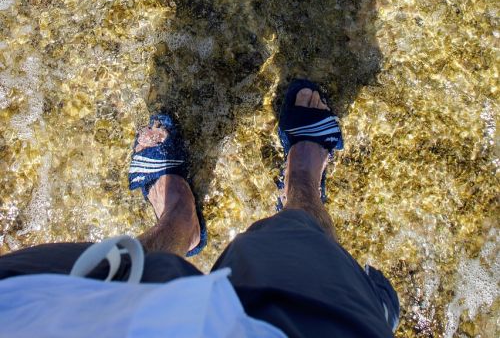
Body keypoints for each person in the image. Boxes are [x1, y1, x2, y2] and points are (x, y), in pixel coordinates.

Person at [0, 79, 399, 337]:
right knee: (303, 249)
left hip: (28, 315)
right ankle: (302, 188)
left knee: (117, 270)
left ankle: (178, 221)